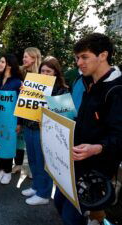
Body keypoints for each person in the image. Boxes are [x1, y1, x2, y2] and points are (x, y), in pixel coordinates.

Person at [55, 33, 122, 225]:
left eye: (84, 57)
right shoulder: (86, 81)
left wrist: (96, 148)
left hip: (96, 169)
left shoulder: (116, 90)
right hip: (74, 162)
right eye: (77, 58)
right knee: (58, 201)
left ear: (103, 55)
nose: (79, 62)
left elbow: (119, 136)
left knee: (71, 215)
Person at [22, 56, 69, 206]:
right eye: (42, 70)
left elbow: (65, 115)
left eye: (48, 71)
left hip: (46, 132)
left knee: (44, 163)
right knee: (33, 160)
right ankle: (36, 187)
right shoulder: (33, 84)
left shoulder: (62, 89)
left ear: (55, 73)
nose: (44, 74)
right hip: (29, 127)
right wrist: (25, 92)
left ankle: (44, 194)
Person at [0, 54, 23, 185]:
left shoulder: (17, 82)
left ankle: (7, 171)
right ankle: (0, 168)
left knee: (8, 145)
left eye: (2, 62)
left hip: (12, 120)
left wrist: (19, 122)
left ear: (9, 65)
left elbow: (21, 103)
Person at [12, 47, 42, 174]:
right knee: (19, 140)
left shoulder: (42, 74)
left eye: (26, 57)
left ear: (34, 58)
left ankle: (32, 168)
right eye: (23, 56)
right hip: (20, 112)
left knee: (34, 144)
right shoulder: (20, 72)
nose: (23, 59)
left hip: (35, 116)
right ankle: (18, 164)